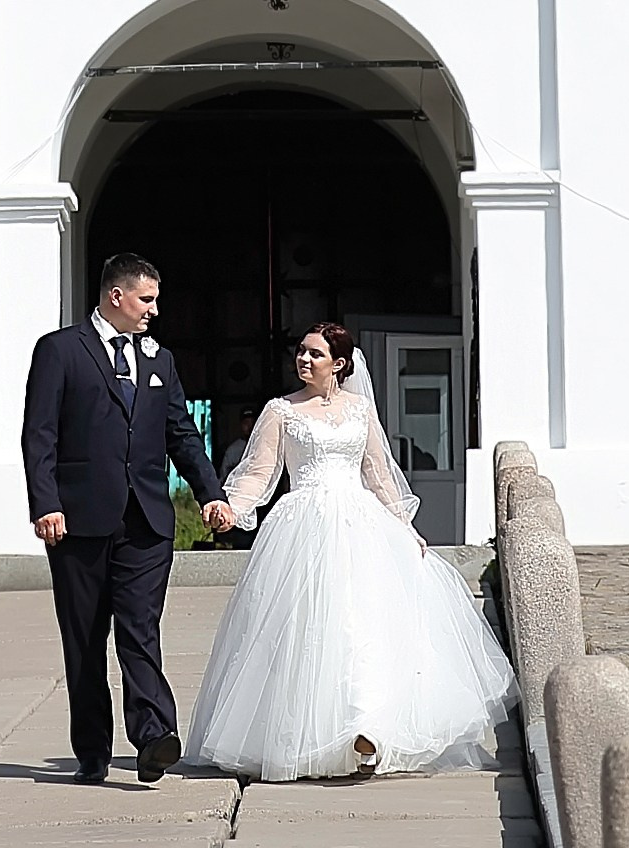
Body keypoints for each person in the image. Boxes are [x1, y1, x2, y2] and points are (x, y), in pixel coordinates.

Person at [182, 321, 516, 782]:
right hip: (302, 525)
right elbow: (259, 473)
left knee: (363, 623)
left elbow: (378, 473)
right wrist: (230, 508)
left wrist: (405, 528)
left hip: (361, 524)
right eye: (301, 351)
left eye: (315, 354)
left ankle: (369, 727)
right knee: (310, 629)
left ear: (338, 364)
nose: (304, 359)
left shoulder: (360, 410)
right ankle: (312, 733)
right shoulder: (280, 410)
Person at [21, 245, 232, 784]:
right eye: (146, 300)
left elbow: (181, 434)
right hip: (78, 522)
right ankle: (92, 750)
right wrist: (46, 503)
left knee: (140, 630)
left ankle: (154, 736)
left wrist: (210, 493)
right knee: (85, 641)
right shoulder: (60, 351)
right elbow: (39, 434)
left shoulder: (160, 360)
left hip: (147, 522)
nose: (154, 310)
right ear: (116, 296)